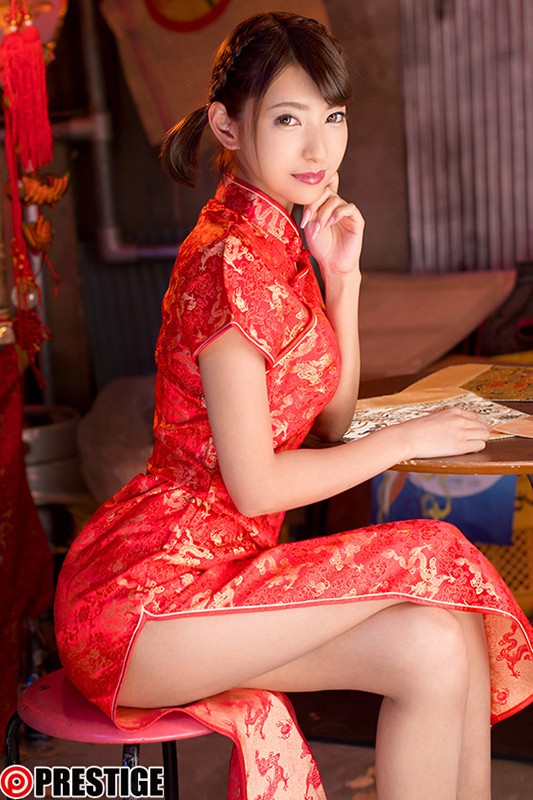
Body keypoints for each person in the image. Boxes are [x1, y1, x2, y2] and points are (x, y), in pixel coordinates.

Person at [55, 12, 533, 800]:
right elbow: (256, 487)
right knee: (435, 554)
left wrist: (342, 280)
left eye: (332, 117)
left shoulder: (281, 245)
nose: (319, 149)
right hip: (147, 598)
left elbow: (331, 422)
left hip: (226, 577)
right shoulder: (227, 263)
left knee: (438, 643)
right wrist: (403, 438)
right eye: (287, 120)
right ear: (227, 126)